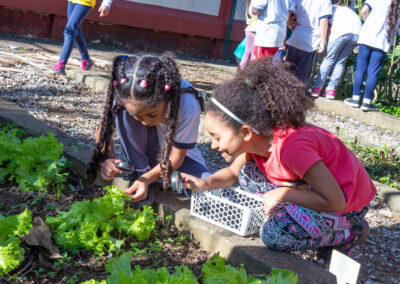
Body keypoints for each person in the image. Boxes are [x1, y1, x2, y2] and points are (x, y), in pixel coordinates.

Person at [181, 58, 376, 255]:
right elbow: (233, 172)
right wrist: (204, 184)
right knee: (247, 174)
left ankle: (350, 233)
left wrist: (281, 195)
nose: (213, 145)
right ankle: (294, 216)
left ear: (246, 132)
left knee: (274, 235)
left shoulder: (292, 149)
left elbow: (336, 202)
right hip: (317, 193)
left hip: (347, 206)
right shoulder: (258, 141)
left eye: (217, 138)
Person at [87, 54, 211, 206]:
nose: (145, 122)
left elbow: (176, 157)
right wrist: (107, 159)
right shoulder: (127, 90)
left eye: (151, 115)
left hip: (173, 159)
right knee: (123, 111)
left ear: (166, 98)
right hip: (145, 156)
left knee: (208, 189)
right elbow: (104, 129)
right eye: (137, 117)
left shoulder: (187, 103)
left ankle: (147, 175)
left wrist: (147, 180)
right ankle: (141, 169)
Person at [345, 0, 400, 111]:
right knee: (373, 72)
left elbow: (364, 11)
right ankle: (367, 102)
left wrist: (369, 23)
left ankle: (355, 99)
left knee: (360, 69)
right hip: (382, 42)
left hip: (367, 37)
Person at [311, 1, 362, 99]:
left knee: (329, 59)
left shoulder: (330, 8)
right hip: (356, 34)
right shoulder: (349, 10)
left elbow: (326, 28)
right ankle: (331, 91)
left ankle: (317, 88)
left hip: (340, 33)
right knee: (341, 62)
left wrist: (326, 47)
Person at [52, 0, 113, 75]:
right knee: (76, 32)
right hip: (72, 1)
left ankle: (61, 63)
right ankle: (86, 60)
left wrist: (106, 3)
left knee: (69, 31)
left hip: (85, 2)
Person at [285, 0, 332, 83]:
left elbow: (289, 11)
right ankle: (299, 94)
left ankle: (285, 92)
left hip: (297, 35)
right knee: (302, 74)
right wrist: (323, 42)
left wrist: (290, 24)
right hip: (311, 40)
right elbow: (324, 20)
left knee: (288, 71)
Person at [239, 0, 258, 69]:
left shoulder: (249, 5)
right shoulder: (256, 5)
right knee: (253, 54)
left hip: (249, 30)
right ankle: (248, 75)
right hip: (255, 30)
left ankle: (241, 71)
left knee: (247, 53)